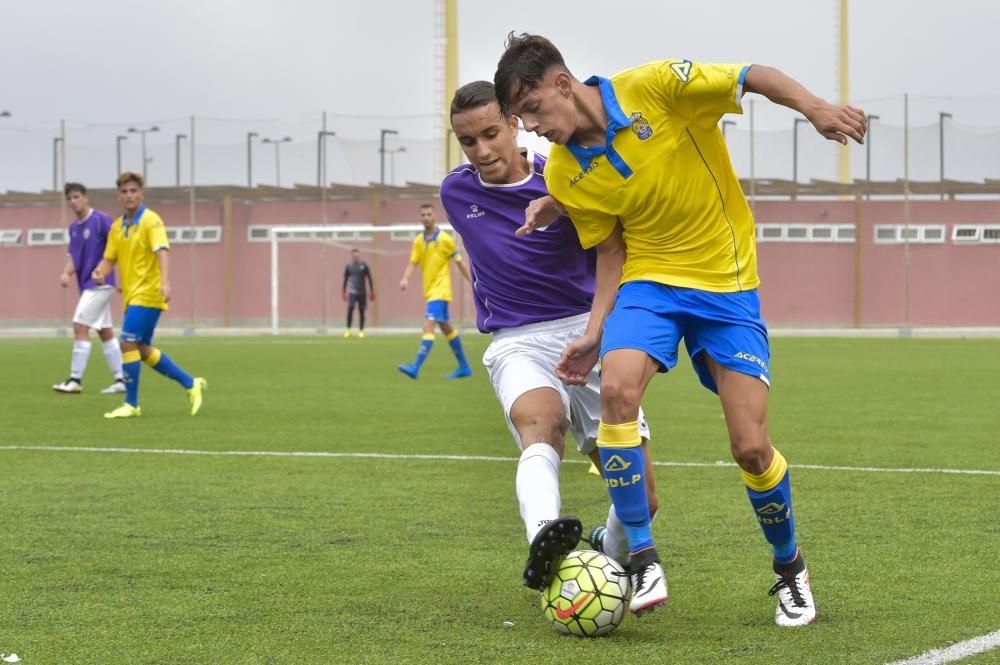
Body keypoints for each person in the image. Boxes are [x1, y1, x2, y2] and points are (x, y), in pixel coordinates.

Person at [495, 33, 867, 624]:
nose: (531, 128)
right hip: (650, 283)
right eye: (520, 120)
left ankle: (789, 567)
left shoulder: (657, 86)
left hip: (727, 283)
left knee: (749, 446)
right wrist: (595, 331)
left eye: (533, 109)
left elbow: (751, 74)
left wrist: (816, 108)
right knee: (617, 388)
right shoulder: (565, 173)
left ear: (562, 84)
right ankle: (641, 556)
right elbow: (612, 252)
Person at [443, 80, 656, 595]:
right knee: (543, 424)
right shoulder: (456, 192)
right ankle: (545, 540)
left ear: (516, 123)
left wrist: (596, 331)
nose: (483, 150)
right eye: (468, 141)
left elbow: (613, 248)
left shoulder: (563, 176)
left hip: (586, 333)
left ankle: (609, 553)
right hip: (517, 341)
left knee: (642, 499)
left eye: (491, 133)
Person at [91, 172, 207, 419]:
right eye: (124, 191)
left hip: (150, 292)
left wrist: (165, 283)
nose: (129, 195)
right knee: (141, 349)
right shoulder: (117, 226)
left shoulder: (151, 220)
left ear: (141, 194)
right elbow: (110, 257)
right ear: (119, 196)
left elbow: (162, 250)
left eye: (133, 191)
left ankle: (131, 404)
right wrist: (101, 271)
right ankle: (190, 383)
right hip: (132, 296)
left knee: (127, 342)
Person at [52, 182, 125, 394]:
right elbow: (74, 257)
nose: (74, 201)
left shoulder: (100, 220)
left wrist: (110, 274)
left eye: (77, 197)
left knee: (79, 326)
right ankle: (121, 380)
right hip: (86, 286)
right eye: (70, 198)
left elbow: (119, 246)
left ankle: (75, 380)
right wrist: (66, 273)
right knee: (105, 332)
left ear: (86, 197)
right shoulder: (74, 229)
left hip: (100, 285)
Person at [397, 204, 473, 379]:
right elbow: (413, 262)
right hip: (430, 291)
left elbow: (459, 262)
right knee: (446, 328)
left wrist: (471, 280)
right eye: (423, 214)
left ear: (435, 216)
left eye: (429, 214)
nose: (426, 217)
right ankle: (464, 367)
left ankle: (415, 367)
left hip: (441, 291)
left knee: (428, 325)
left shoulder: (445, 239)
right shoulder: (418, 241)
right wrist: (405, 278)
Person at [342, 248, 375, 338]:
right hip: (352, 292)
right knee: (350, 308)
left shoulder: (364, 265)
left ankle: (361, 331)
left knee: (361, 311)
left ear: (359, 255)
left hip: (362, 292)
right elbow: (345, 279)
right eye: (354, 255)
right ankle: (348, 330)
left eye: (357, 254)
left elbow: (369, 278)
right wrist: (343, 291)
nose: (356, 256)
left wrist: (372, 291)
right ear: (352, 256)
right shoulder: (349, 266)